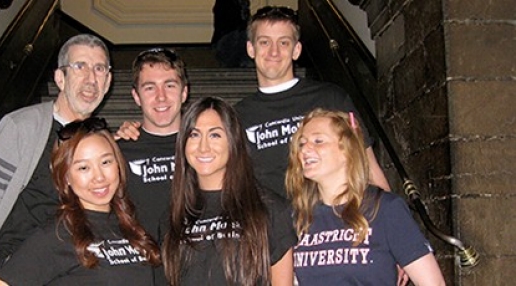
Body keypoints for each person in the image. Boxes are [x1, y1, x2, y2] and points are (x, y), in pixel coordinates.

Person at [0, 34, 113, 284]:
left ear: (108, 81)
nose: (91, 79)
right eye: (80, 66)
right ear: (59, 78)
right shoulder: (21, 127)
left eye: (99, 69)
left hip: (73, 266)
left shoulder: (102, 140)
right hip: (17, 269)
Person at [234, 6, 390, 201]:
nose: (273, 51)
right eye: (264, 42)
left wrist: (392, 217)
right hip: (271, 227)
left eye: (283, 42)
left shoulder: (331, 98)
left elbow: (367, 165)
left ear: (296, 50)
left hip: (331, 223)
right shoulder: (237, 116)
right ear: (251, 48)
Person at [0, 117, 161, 285]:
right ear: (66, 177)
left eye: (106, 162)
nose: (99, 177)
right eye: (84, 167)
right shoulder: (57, 235)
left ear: (118, 164)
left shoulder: (131, 226)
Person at [285, 108, 445, 285]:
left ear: (347, 150)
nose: (305, 149)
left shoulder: (386, 209)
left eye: (318, 141)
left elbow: (433, 283)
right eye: (301, 143)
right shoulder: (298, 216)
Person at [162, 97, 297, 286]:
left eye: (215, 135)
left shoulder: (270, 209)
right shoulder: (173, 215)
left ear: (233, 140)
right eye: (194, 135)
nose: (203, 147)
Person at [116, 48, 189, 284]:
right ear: (136, 96)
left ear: (184, 92)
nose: (161, 97)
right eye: (149, 87)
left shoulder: (206, 148)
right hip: (140, 276)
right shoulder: (117, 153)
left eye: (169, 85)